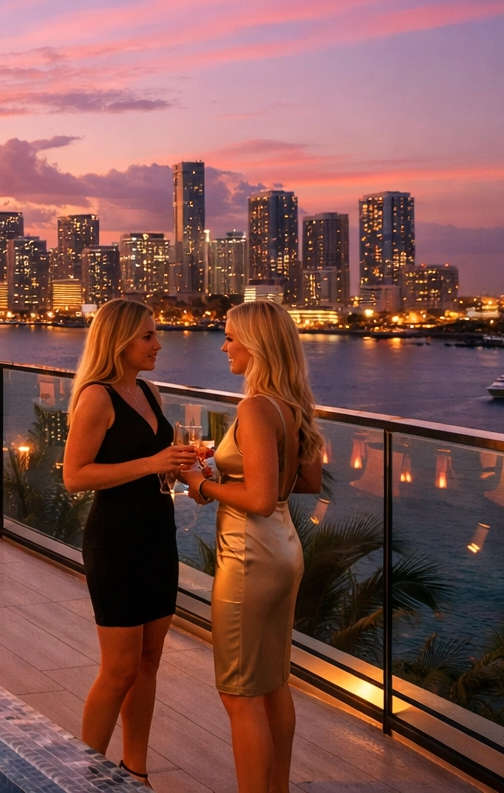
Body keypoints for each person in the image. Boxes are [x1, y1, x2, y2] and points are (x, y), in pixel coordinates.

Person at [181, 301, 323, 793]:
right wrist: (234, 471)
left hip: (249, 556)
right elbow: (304, 482)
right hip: (284, 547)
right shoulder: (293, 405)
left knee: (240, 694)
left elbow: (259, 500)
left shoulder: (256, 407)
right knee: (274, 684)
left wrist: (200, 484)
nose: (223, 347)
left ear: (256, 346)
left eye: (229, 338)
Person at [61, 299, 198, 785]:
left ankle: (134, 771)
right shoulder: (96, 397)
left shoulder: (150, 391)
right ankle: (84, 776)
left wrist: (186, 464)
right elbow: (75, 476)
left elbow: (159, 460)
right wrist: (153, 464)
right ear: (119, 342)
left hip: (158, 537)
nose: (157, 343)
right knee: (118, 669)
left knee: (149, 661)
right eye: (147, 336)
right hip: (115, 542)